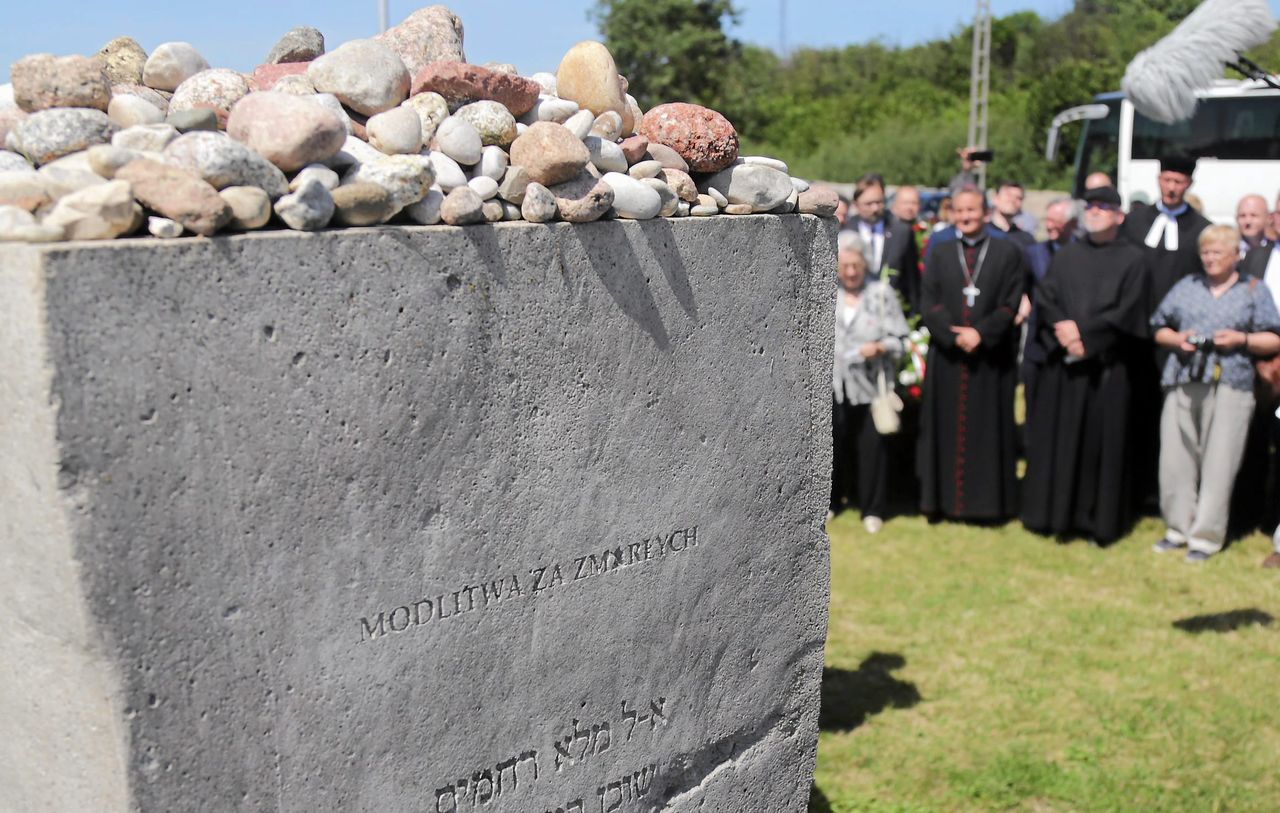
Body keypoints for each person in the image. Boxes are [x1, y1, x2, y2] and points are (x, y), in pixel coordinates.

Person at [1021, 187, 1150, 544]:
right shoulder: (1068, 255)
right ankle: (1056, 515)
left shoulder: (1133, 260)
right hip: (1066, 371)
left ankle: (1096, 521)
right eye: (1090, 206)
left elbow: (1130, 311)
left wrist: (1088, 337)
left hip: (1107, 371)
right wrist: (1065, 331)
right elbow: (1046, 298)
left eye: (1103, 207)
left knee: (1100, 448)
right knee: (1061, 443)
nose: (1095, 212)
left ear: (1118, 216)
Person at [1150, 225, 1280, 562]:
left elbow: (1274, 338)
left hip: (1231, 384)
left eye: (1217, 252)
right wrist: (1177, 340)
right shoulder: (1187, 286)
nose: (1210, 258)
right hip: (1183, 377)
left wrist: (1242, 340)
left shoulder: (1253, 290)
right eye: (1205, 252)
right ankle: (1177, 528)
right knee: (1176, 457)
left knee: (1219, 461)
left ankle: (1205, 537)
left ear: (1235, 255)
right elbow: (1158, 326)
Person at [917, 188, 1026, 521]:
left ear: (985, 212)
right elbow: (929, 302)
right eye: (960, 211)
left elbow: (1011, 302)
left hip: (990, 360)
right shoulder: (939, 251)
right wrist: (953, 334)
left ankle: (988, 505)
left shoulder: (1008, 252)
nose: (965, 217)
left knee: (988, 432)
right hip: (948, 359)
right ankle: (943, 503)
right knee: (945, 431)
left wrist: (981, 333)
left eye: (972, 211)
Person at [831, 232, 910, 533]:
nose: (851, 272)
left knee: (872, 449)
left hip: (870, 388)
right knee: (834, 447)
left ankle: (872, 509)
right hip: (835, 386)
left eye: (856, 265)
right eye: (845, 265)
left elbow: (901, 340)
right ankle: (833, 502)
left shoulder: (880, 294)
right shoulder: (828, 291)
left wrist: (879, 347)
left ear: (866, 264)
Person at [1022, 197, 1079, 415]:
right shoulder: (1033, 253)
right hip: (1038, 338)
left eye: (1057, 221)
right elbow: (1028, 287)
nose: (1049, 225)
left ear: (1072, 223)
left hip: (1070, 337)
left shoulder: (1082, 252)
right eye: (1048, 219)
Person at [845, 174, 920, 314]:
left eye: (879, 202)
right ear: (856, 205)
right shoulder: (846, 231)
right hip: (856, 313)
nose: (875, 208)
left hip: (893, 313)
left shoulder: (901, 232)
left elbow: (912, 280)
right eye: (868, 204)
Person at [988, 181, 1036, 250]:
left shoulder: (1026, 239)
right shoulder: (982, 234)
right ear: (995, 198)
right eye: (1008, 195)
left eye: (1018, 198)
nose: (1013, 200)